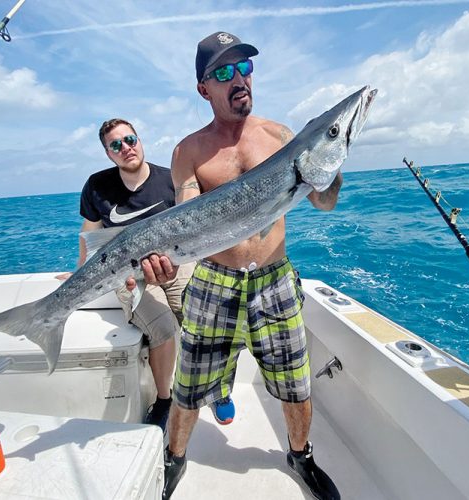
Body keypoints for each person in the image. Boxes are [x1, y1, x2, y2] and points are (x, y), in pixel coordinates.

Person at [140, 32, 342, 499]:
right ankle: (175, 457)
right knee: (189, 385)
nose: (239, 80)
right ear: (203, 88)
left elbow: (324, 202)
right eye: (225, 73)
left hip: (275, 278)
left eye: (245, 68)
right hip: (214, 281)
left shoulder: (281, 137)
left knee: (296, 382)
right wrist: (164, 262)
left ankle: (300, 454)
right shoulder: (189, 152)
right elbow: (184, 220)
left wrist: (331, 162)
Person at [74, 118, 194, 433]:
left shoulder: (171, 179)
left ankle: (212, 386)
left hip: (177, 265)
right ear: (108, 153)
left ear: (139, 139)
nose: (126, 147)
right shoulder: (97, 186)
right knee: (165, 327)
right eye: (116, 145)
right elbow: (89, 235)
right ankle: (165, 399)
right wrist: (78, 273)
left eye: (130, 139)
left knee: (202, 318)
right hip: (129, 275)